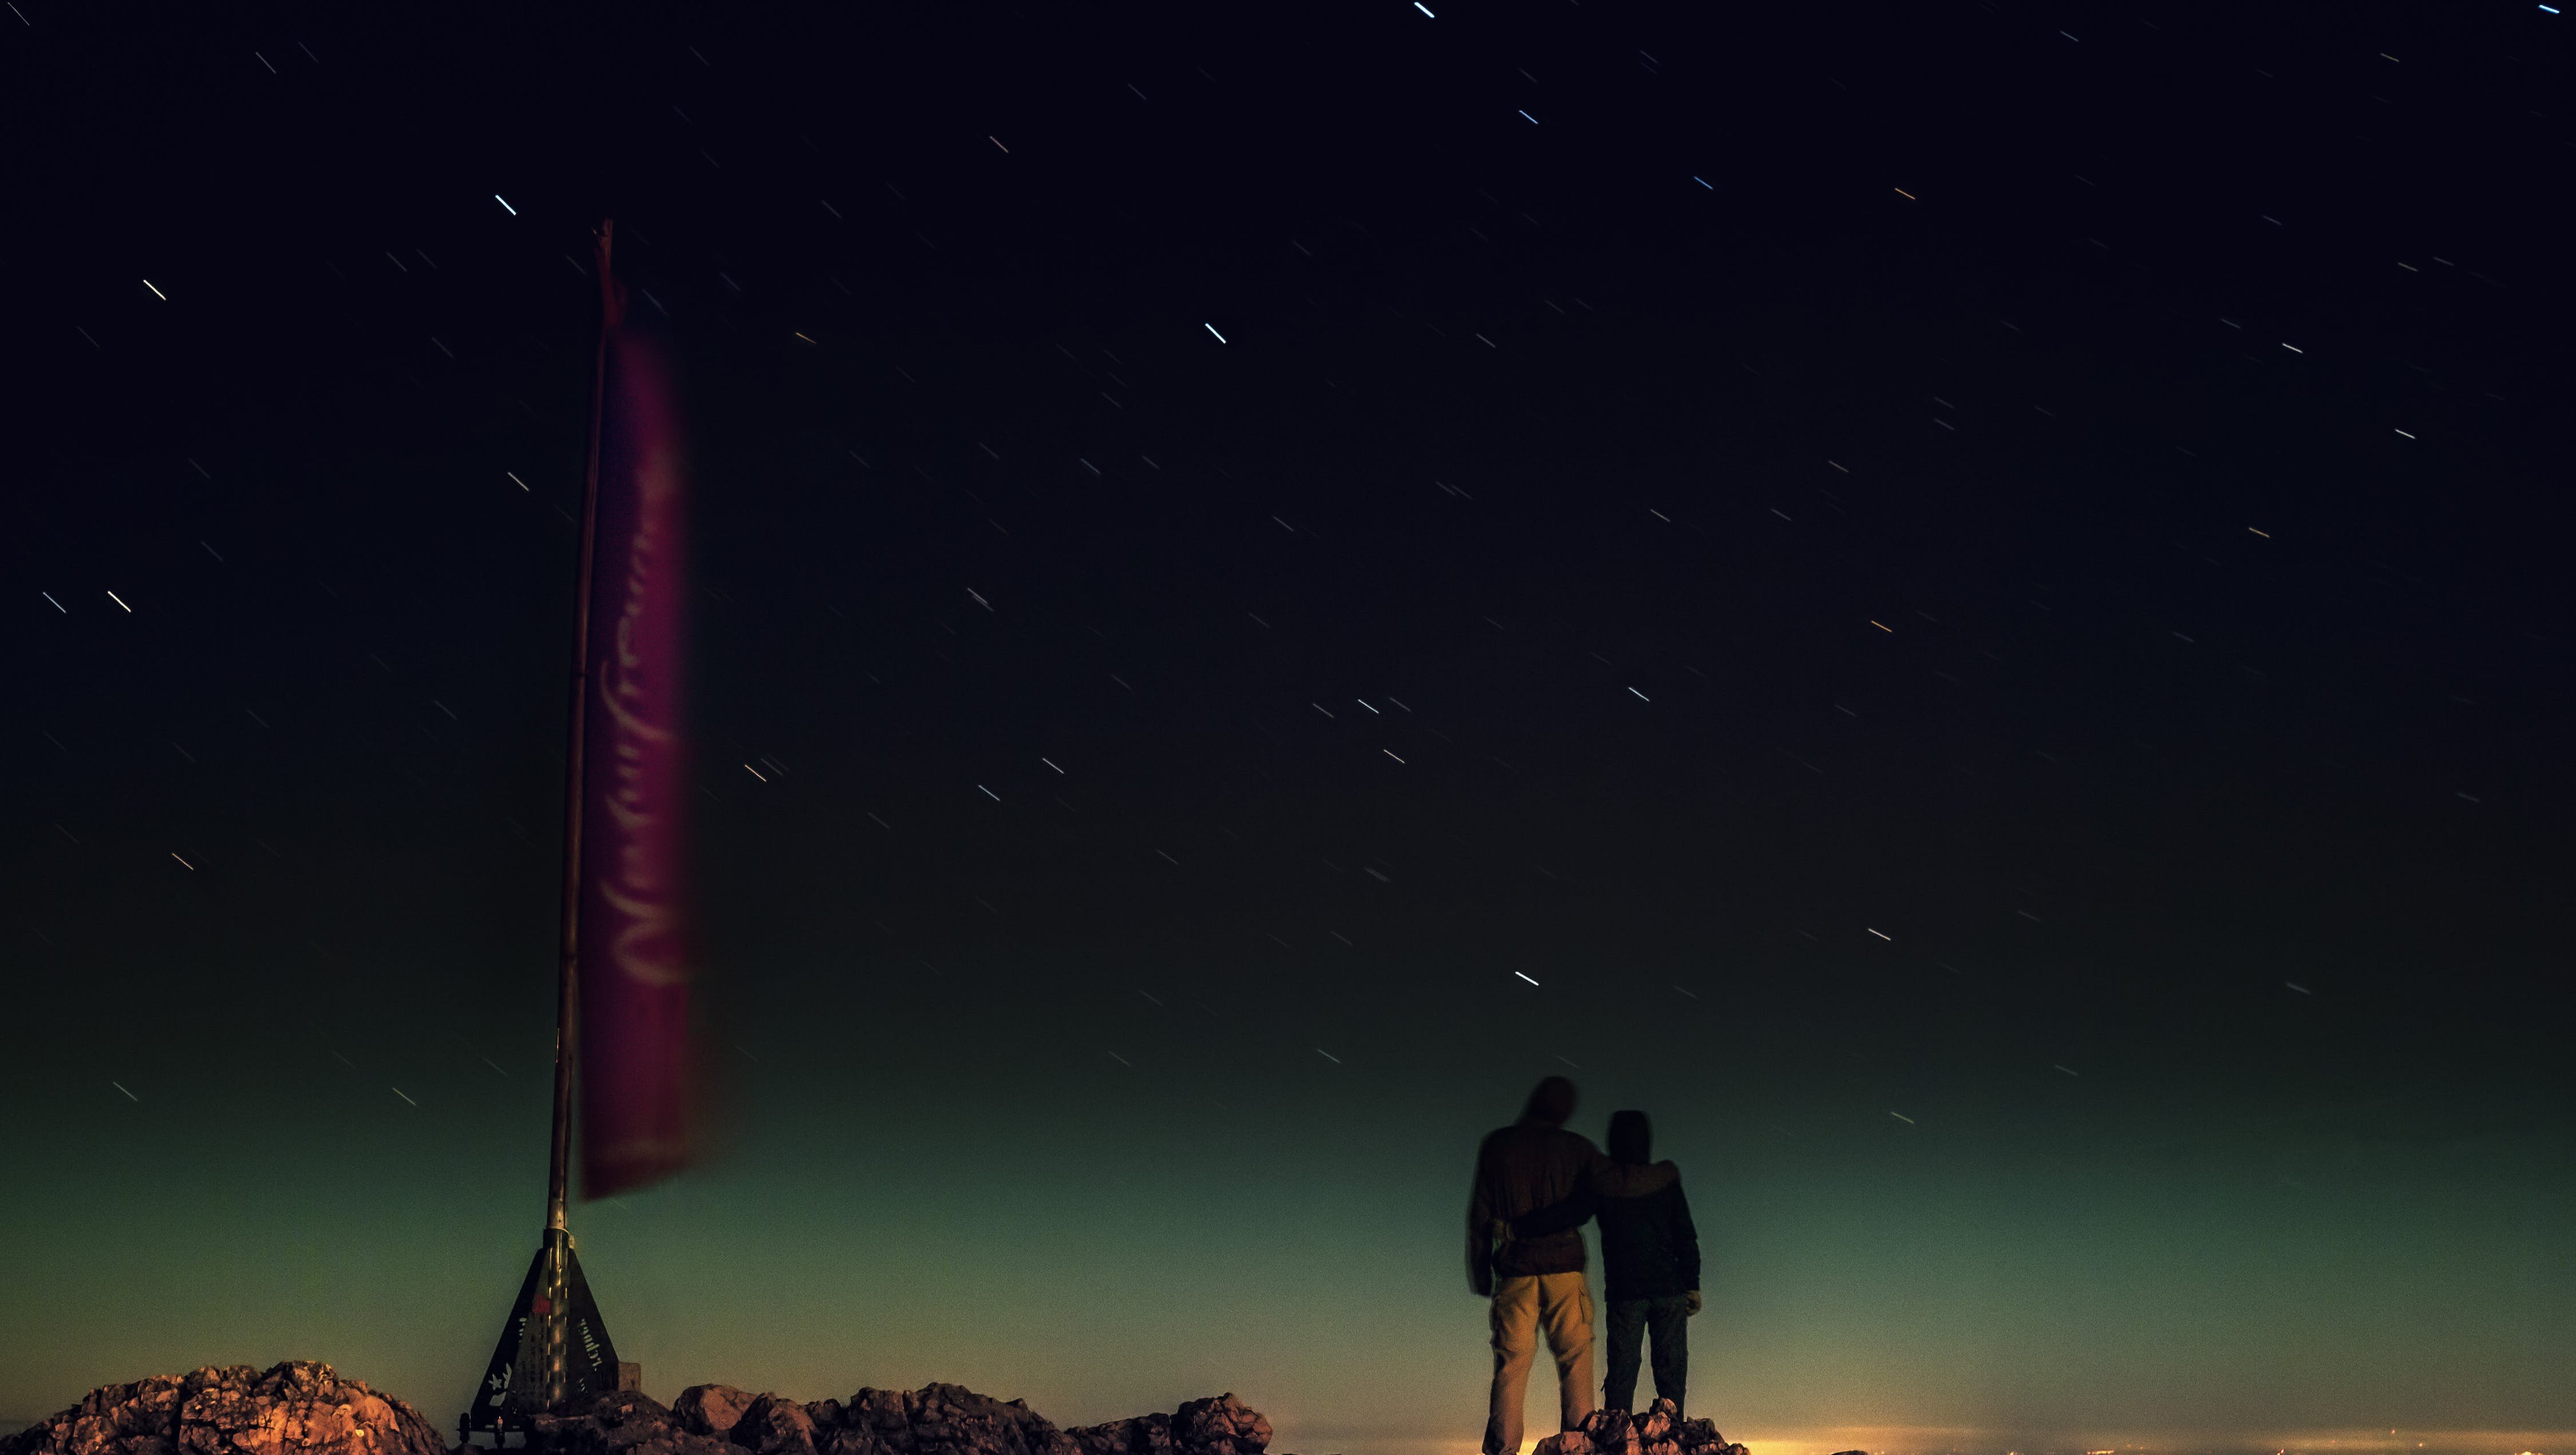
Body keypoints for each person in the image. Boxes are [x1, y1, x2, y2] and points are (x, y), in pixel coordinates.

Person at [1467, 1078, 1676, 1455]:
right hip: (1564, 1269)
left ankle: (1502, 1449)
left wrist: (1481, 1269)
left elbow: (1479, 1213)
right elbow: (1621, 1182)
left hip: (1515, 1272)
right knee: (1576, 1362)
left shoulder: (1498, 1146)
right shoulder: (1575, 1148)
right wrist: (1664, 1173)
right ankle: (1578, 1448)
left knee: (1511, 1366)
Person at [1512, 1109, 1701, 1416]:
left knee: (1622, 1371)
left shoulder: (1604, 1183)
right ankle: (1673, 1431)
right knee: (1671, 1369)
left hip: (1625, 1292)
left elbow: (1567, 1214)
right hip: (1670, 1288)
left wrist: (1518, 1228)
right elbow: (1686, 1235)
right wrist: (1692, 1283)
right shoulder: (1666, 1179)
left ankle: (1618, 1432)